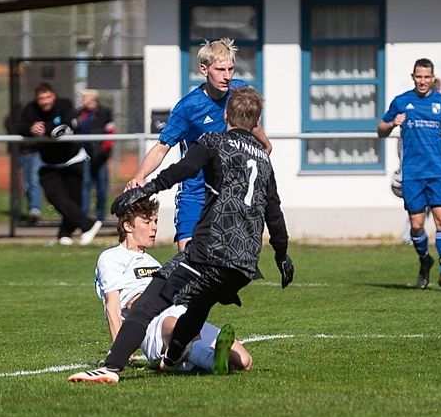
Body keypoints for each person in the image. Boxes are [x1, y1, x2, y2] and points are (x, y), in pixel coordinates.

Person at [68, 87, 292, 384]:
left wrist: (143, 189)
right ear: (256, 122)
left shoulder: (213, 142)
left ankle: (111, 368)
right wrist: (282, 255)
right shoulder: (264, 162)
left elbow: (182, 169)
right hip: (244, 264)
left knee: (149, 302)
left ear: (225, 114)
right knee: (199, 304)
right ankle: (172, 358)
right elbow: (274, 214)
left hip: (211, 250)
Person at [73, 195, 251, 380]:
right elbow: (112, 305)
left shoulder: (154, 262)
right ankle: (209, 360)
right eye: (147, 222)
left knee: (244, 361)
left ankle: (195, 358)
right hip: (152, 324)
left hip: (183, 314)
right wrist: (121, 350)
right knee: (173, 324)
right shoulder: (111, 257)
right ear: (127, 226)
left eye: (156, 221)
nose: (154, 227)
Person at [126, 38, 272, 252]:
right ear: (204, 69)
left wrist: (265, 147)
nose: (227, 76)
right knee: (188, 260)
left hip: (228, 194)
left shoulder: (239, 91)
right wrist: (140, 176)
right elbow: (161, 147)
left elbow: (251, 124)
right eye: (220, 69)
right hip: (195, 195)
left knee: (227, 266)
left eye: (231, 69)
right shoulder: (188, 107)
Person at [377, 59, 441, 292]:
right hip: (413, 174)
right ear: (413, 77)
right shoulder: (401, 102)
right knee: (417, 226)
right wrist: (392, 123)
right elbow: (380, 130)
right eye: (418, 77)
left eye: (427, 77)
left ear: (432, 77)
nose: (422, 81)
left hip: (438, 172)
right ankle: (424, 260)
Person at [16, 82, 102, 246]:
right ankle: (88, 224)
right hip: (49, 164)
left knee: (72, 200)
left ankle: (65, 234)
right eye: (41, 98)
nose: (45, 101)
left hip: (73, 160)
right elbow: (19, 126)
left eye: (48, 97)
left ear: (53, 96)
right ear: (37, 99)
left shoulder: (65, 105)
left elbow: (66, 128)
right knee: (55, 196)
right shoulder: (30, 109)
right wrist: (31, 129)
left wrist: (47, 129)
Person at [77, 89, 116, 222]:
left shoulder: (104, 113)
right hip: (84, 154)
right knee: (85, 184)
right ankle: (84, 216)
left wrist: (105, 150)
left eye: (85, 98)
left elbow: (110, 131)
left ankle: (100, 216)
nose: (83, 100)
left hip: (100, 155)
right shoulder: (80, 114)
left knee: (101, 185)